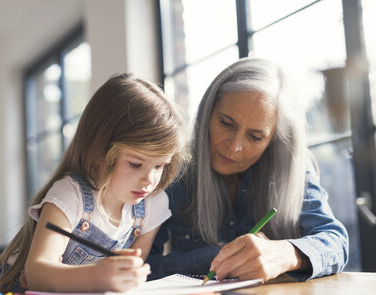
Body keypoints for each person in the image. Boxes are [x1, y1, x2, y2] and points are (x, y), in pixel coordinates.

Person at [147, 58, 349, 282]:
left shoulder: (293, 166)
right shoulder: (171, 167)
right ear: (208, 113)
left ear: (273, 140)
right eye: (226, 123)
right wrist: (218, 258)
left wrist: (286, 254)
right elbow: (144, 266)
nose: (234, 147)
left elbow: (336, 242)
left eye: (255, 137)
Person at [0, 73, 189, 293]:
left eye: (159, 166)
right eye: (135, 164)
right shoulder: (70, 194)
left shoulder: (152, 204)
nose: (149, 181)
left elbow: (132, 276)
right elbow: (36, 273)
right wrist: (97, 275)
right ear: (99, 150)